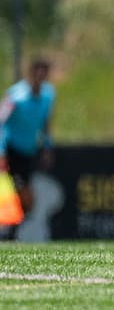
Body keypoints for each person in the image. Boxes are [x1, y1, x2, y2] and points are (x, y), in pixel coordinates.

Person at [0, 59, 56, 239]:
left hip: (29, 151)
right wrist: (1, 151)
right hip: (11, 150)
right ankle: (10, 231)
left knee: (27, 199)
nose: (40, 76)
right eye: (37, 71)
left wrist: (47, 146)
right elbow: (2, 122)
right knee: (18, 192)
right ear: (31, 73)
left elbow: (45, 122)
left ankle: (13, 233)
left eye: (44, 72)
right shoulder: (16, 95)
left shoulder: (48, 95)